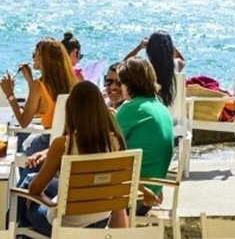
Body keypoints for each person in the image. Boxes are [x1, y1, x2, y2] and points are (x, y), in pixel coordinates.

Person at [16, 80, 126, 235]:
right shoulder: (116, 142)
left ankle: (14, 232)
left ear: (72, 110)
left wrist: (42, 199)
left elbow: (35, 189)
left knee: (27, 196)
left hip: (64, 224)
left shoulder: (63, 144)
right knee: (30, 182)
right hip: (100, 219)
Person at [116, 57, 174, 215]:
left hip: (132, 199)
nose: (119, 87)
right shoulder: (161, 108)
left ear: (129, 83)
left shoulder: (132, 109)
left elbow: (106, 146)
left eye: (120, 82)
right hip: (151, 192)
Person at [1, 38, 77, 157]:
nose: (32, 58)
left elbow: (24, 122)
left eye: (34, 54)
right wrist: (30, 81)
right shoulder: (69, 83)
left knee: (21, 145)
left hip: (47, 142)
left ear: (43, 59)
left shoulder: (38, 86)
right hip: (66, 142)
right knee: (25, 139)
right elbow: (46, 104)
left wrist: (10, 94)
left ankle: (22, 173)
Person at [124, 30, 185, 107]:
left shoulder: (146, 68)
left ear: (150, 49)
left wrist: (139, 47)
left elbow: (124, 65)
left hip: (154, 113)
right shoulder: (176, 65)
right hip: (174, 116)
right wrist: (170, 46)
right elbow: (182, 59)